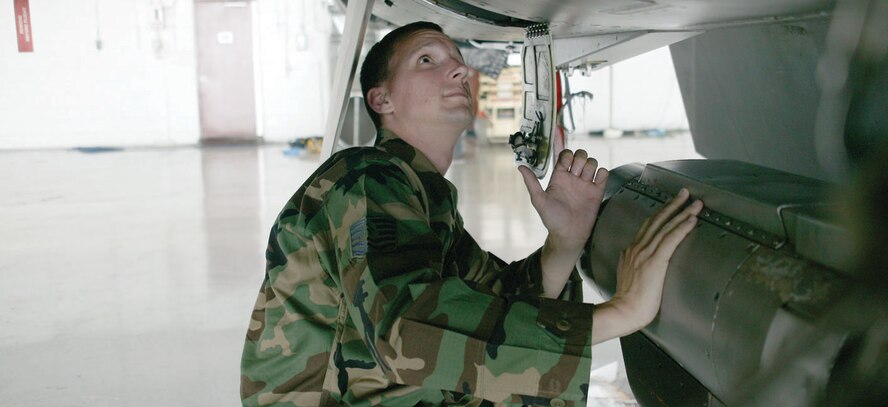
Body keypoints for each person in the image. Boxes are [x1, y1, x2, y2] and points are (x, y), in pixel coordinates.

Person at [240, 21, 702, 406]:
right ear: (382, 101)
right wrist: (622, 313)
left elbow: (493, 298)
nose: (460, 70)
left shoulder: (422, 193)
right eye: (427, 60)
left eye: (457, 60)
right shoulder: (366, 177)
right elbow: (404, 328)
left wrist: (564, 242)